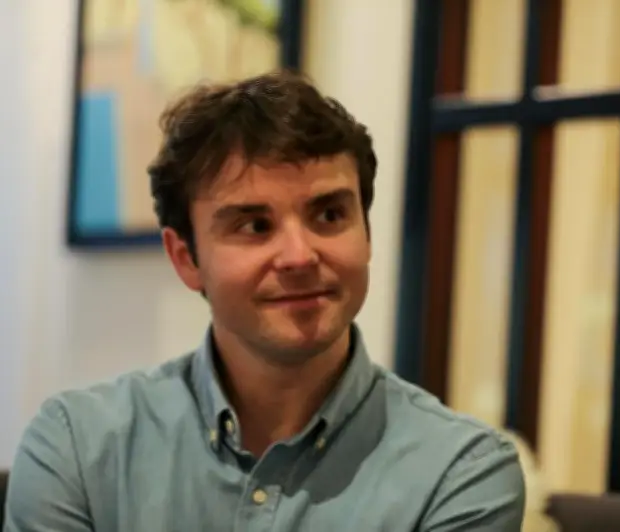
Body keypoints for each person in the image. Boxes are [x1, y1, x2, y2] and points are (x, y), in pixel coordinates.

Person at [4, 71, 526, 531]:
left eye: (329, 215)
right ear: (186, 258)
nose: (299, 256)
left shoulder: (460, 473)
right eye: (254, 225)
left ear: (367, 234)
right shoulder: (78, 449)